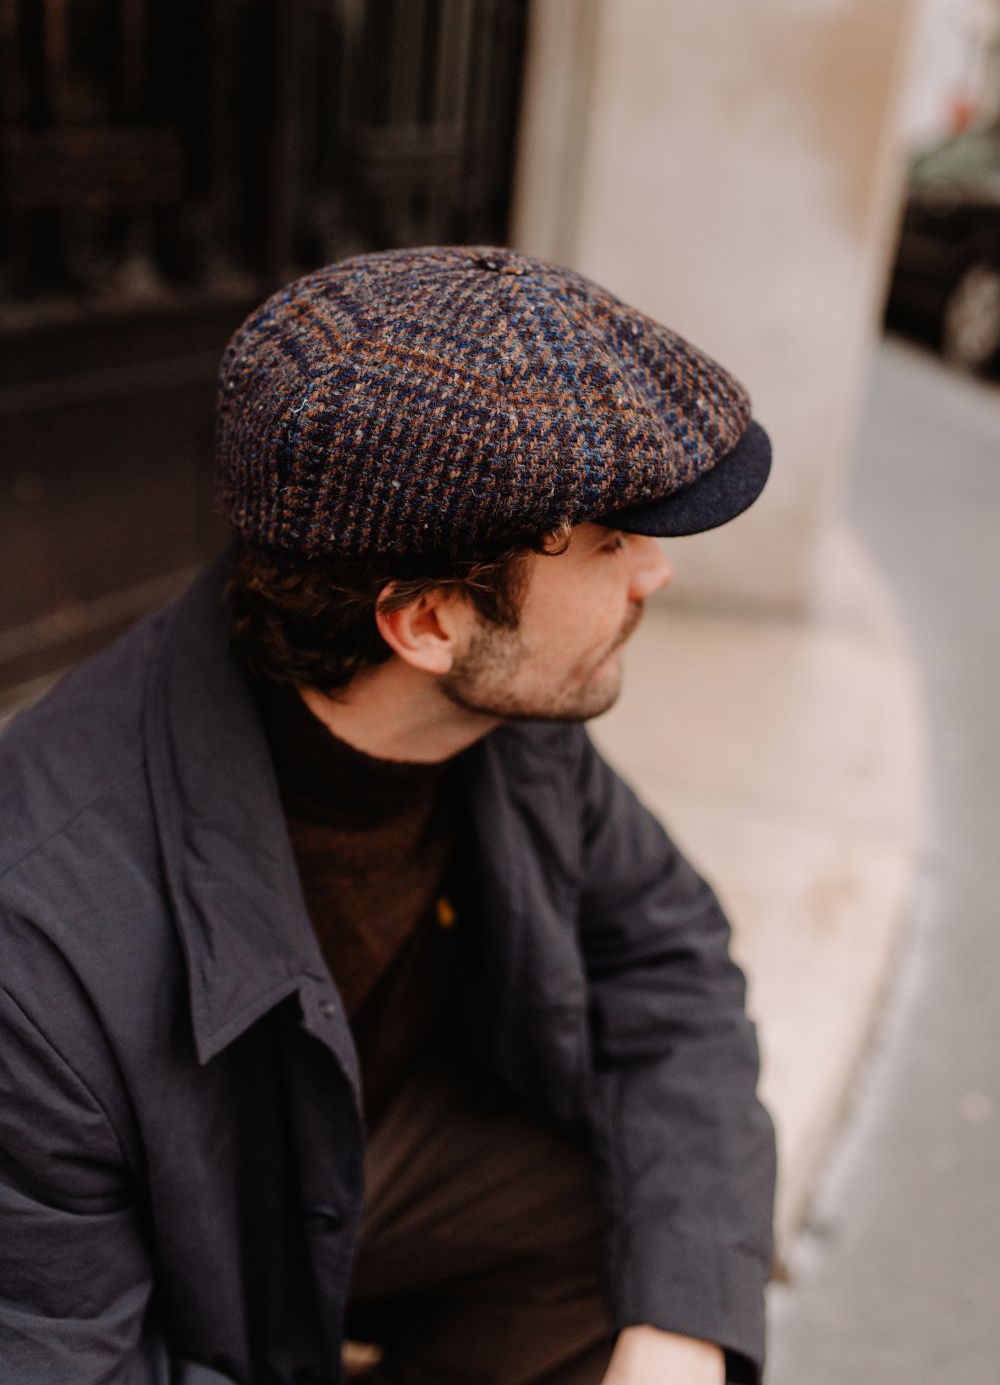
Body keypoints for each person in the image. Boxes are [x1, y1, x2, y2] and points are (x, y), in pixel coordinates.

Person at [0, 246, 777, 1385]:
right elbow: (67, 1356)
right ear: (427, 621)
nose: (651, 574)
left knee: (636, 1224)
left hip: (373, 1161)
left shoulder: (501, 723)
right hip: (192, 1255)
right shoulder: (41, 943)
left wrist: (683, 1328)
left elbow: (667, 963)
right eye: (612, 539)